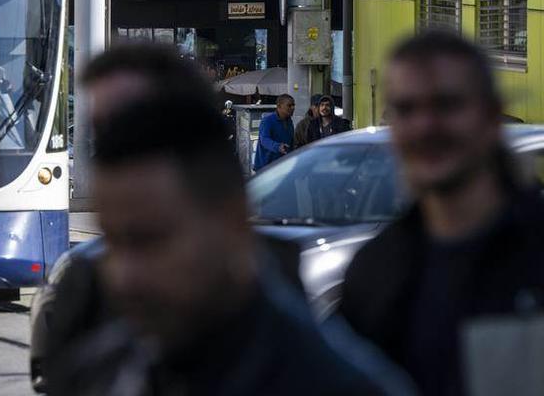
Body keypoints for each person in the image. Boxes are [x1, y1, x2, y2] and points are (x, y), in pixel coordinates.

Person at [48, 90, 413, 395]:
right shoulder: (102, 370)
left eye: (152, 239)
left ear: (232, 219)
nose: (124, 273)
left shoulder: (330, 381)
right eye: (115, 241)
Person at [339, 31, 544, 396]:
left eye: (447, 105)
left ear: (492, 116)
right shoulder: (375, 271)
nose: (425, 127)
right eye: (406, 109)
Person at [29, 44, 217, 393]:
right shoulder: (88, 304)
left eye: (151, 240)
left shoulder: (299, 369)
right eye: (104, 142)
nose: (126, 274)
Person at [254, 93, 295, 170]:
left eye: (293, 105)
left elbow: (291, 142)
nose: (293, 108)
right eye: (289, 105)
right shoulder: (268, 120)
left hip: (282, 166)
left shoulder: (289, 122)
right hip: (266, 167)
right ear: (279, 106)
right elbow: (264, 140)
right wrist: (278, 147)